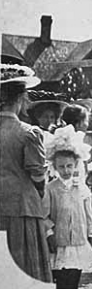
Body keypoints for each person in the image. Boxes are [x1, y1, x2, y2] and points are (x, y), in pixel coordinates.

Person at [0, 64, 52, 282]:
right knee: (22, 271)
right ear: (20, 97)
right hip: (21, 207)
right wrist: (40, 190)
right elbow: (37, 175)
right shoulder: (29, 133)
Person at [43, 125, 92, 289]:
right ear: (54, 167)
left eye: (69, 166)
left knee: (74, 279)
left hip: (78, 241)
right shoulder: (51, 189)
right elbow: (44, 215)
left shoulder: (81, 188)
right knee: (61, 280)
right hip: (60, 242)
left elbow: (88, 215)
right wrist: (50, 233)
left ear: (76, 165)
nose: (66, 170)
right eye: (61, 167)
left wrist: (91, 236)